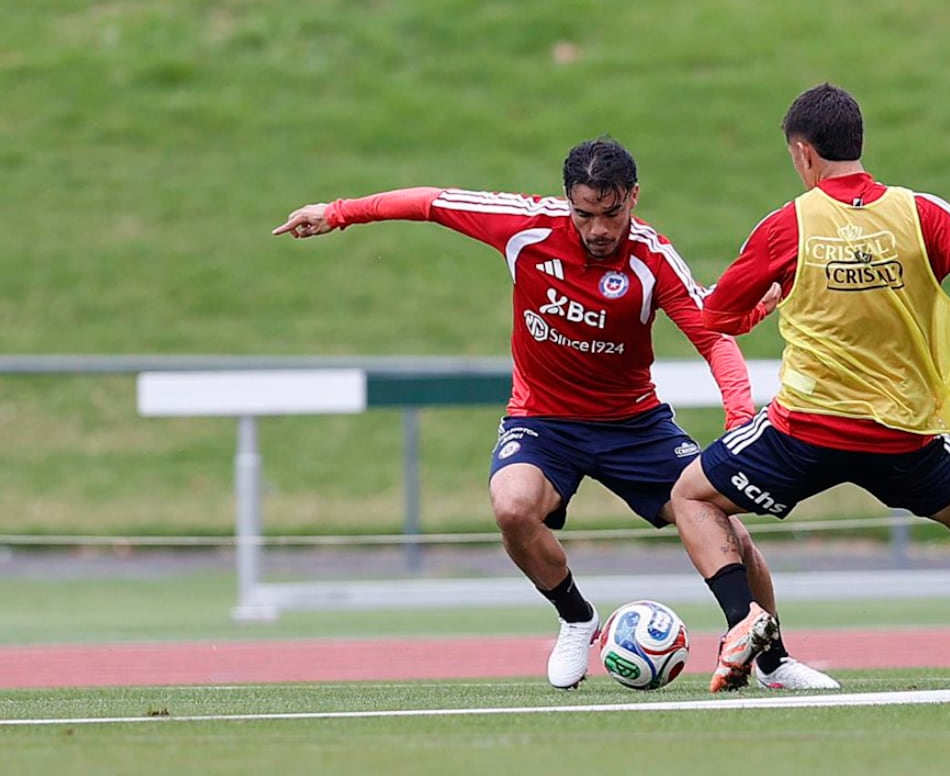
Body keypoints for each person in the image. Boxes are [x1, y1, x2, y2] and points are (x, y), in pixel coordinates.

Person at [274, 136, 836, 692]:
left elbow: (713, 338)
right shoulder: (525, 229)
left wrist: (738, 417)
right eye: (585, 213)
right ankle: (575, 617)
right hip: (542, 422)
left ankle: (774, 661)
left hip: (633, 425)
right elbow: (431, 202)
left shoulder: (651, 257)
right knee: (512, 507)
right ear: (568, 200)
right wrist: (338, 214)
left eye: (611, 213)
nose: (598, 229)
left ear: (633, 198)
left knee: (724, 526)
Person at [670, 83, 950, 693]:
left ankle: (744, 618)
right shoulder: (922, 214)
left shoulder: (788, 225)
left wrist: (769, 303)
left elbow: (716, 317)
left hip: (804, 432)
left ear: (804, 153)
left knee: (692, 497)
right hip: (905, 437)